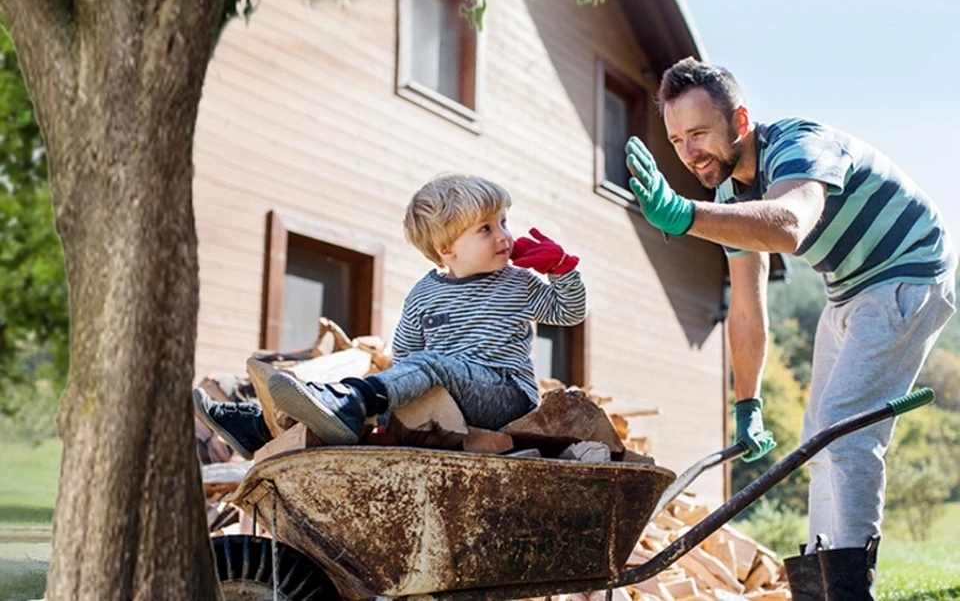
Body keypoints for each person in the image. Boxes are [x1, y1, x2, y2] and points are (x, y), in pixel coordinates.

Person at [623, 57, 956, 600]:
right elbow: (748, 308)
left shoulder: (798, 145)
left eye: (699, 133)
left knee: (842, 428)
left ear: (741, 120)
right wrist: (747, 404)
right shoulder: (730, 199)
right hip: (848, 289)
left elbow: (791, 224)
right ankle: (819, 586)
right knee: (814, 440)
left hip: (909, 271)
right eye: (678, 139)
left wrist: (683, 215)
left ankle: (848, 589)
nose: (688, 153)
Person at [195, 173, 587, 454]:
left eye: (504, 221)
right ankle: (261, 429)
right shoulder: (424, 294)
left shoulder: (517, 284)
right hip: (446, 397)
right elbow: (402, 359)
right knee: (405, 377)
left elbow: (569, 312)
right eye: (486, 229)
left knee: (430, 365)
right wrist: (392, 410)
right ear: (446, 248)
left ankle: (349, 403)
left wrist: (563, 270)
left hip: (505, 395)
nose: (504, 235)